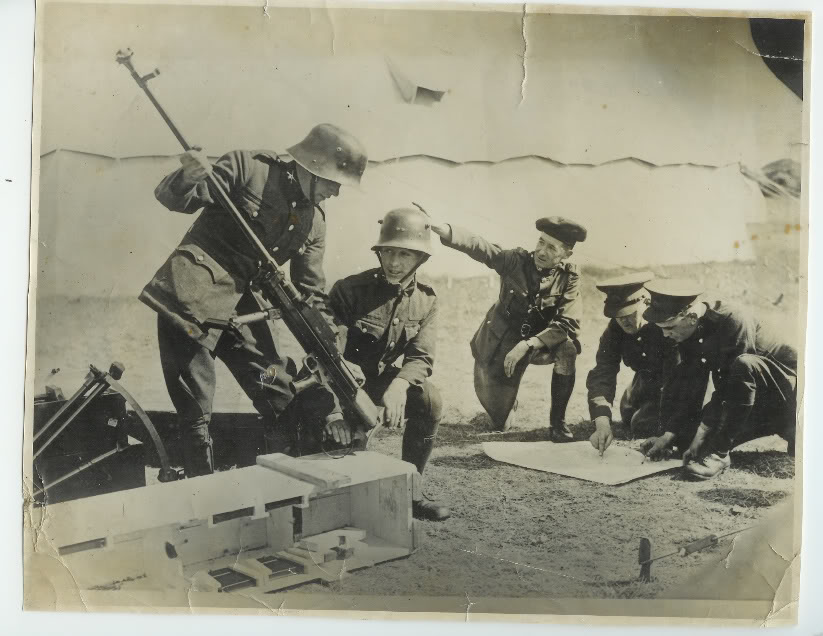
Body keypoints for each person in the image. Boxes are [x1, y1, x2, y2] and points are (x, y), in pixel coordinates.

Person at [139, 123, 368, 477]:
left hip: (244, 313)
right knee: (196, 409)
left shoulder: (314, 222)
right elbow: (174, 199)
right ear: (312, 168)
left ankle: (285, 481)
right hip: (190, 300)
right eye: (334, 182)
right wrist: (188, 175)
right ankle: (201, 494)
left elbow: (312, 294)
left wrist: (335, 352)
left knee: (277, 389)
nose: (336, 192)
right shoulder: (249, 167)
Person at [326, 208, 449, 521]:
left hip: (379, 383)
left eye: (405, 254)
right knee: (335, 475)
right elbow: (324, 356)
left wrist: (399, 386)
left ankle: (411, 489)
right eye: (388, 252)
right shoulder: (349, 291)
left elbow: (421, 356)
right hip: (339, 386)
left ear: (421, 257)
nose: (394, 263)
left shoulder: (426, 299)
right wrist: (333, 410)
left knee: (430, 400)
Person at [430, 217, 586, 440]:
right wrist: (446, 230)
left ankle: (558, 424)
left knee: (568, 350)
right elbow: (482, 248)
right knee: (500, 423)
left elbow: (568, 324)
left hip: (538, 343)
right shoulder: (515, 260)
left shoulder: (569, 277)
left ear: (567, 254)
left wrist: (528, 344)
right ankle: (508, 403)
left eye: (551, 248)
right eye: (541, 242)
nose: (541, 251)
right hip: (502, 341)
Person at [639, 279, 797, 480]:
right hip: (750, 400)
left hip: (790, 400)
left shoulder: (733, 319)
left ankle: (720, 455)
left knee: (744, 365)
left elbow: (733, 386)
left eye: (670, 327)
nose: (665, 334)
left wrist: (704, 431)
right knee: (687, 439)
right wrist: (670, 434)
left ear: (692, 317)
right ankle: (786, 431)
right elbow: (692, 383)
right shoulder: (690, 331)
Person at [587, 272, 680, 455]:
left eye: (629, 314)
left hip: (676, 383)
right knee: (628, 415)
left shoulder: (666, 324)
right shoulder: (614, 330)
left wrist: (668, 429)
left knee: (643, 424)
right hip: (646, 380)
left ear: (645, 303)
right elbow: (603, 372)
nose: (624, 321)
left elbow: (678, 376)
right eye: (617, 315)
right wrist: (602, 420)